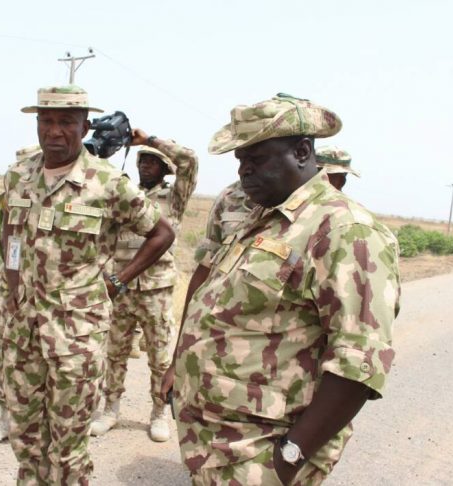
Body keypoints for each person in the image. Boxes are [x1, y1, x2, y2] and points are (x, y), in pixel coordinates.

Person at [172, 93, 401, 485]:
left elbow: (358, 362)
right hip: (218, 441)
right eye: (241, 160)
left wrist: (289, 457)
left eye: (257, 159)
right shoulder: (264, 220)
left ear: (302, 152)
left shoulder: (344, 230)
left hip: (263, 450)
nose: (244, 171)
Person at [0, 85, 175, 485]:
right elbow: (7, 229)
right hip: (22, 330)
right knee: (25, 439)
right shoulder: (18, 175)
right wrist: (13, 282)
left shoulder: (108, 182)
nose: (55, 131)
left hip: (76, 335)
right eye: (46, 121)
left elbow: (161, 233)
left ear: (84, 127)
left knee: (68, 448)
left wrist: (117, 282)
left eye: (66, 122)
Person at [90, 131, 198, 442]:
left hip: (156, 290)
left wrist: (149, 141)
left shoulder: (173, 197)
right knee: (115, 352)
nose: (146, 165)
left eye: (153, 162)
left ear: (165, 169)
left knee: (160, 357)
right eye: (143, 160)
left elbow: (189, 162)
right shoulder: (127, 195)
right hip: (120, 287)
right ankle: (110, 409)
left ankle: (159, 412)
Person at [159, 179, 254, 405]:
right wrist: (177, 359)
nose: (246, 169)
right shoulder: (230, 196)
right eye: (241, 161)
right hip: (221, 346)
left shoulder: (323, 210)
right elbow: (204, 271)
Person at [0, 144, 41, 448]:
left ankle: (42, 424)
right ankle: (6, 420)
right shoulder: (13, 194)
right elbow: (7, 239)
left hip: (57, 297)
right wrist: (13, 281)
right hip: (16, 291)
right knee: (10, 356)